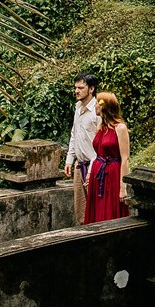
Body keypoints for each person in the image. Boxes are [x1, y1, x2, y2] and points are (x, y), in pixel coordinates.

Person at [85, 91, 132, 223]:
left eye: (96, 104)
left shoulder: (120, 128)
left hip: (112, 174)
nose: (94, 106)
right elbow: (97, 153)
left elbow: (124, 158)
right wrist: (90, 173)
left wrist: (123, 187)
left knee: (111, 209)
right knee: (97, 209)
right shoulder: (101, 128)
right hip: (98, 174)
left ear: (104, 106)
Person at [64, 74, 99, 224]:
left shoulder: (97, 111)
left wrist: (92, 170)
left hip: (95, 166)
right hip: (80, 165)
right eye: (75, 88)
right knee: (80, 211)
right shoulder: (78, 108)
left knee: (96, 209)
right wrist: (69, 160)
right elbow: (74, 134)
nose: (76, 91)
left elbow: (101, 144)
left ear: (91, 89)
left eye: (81, 88)